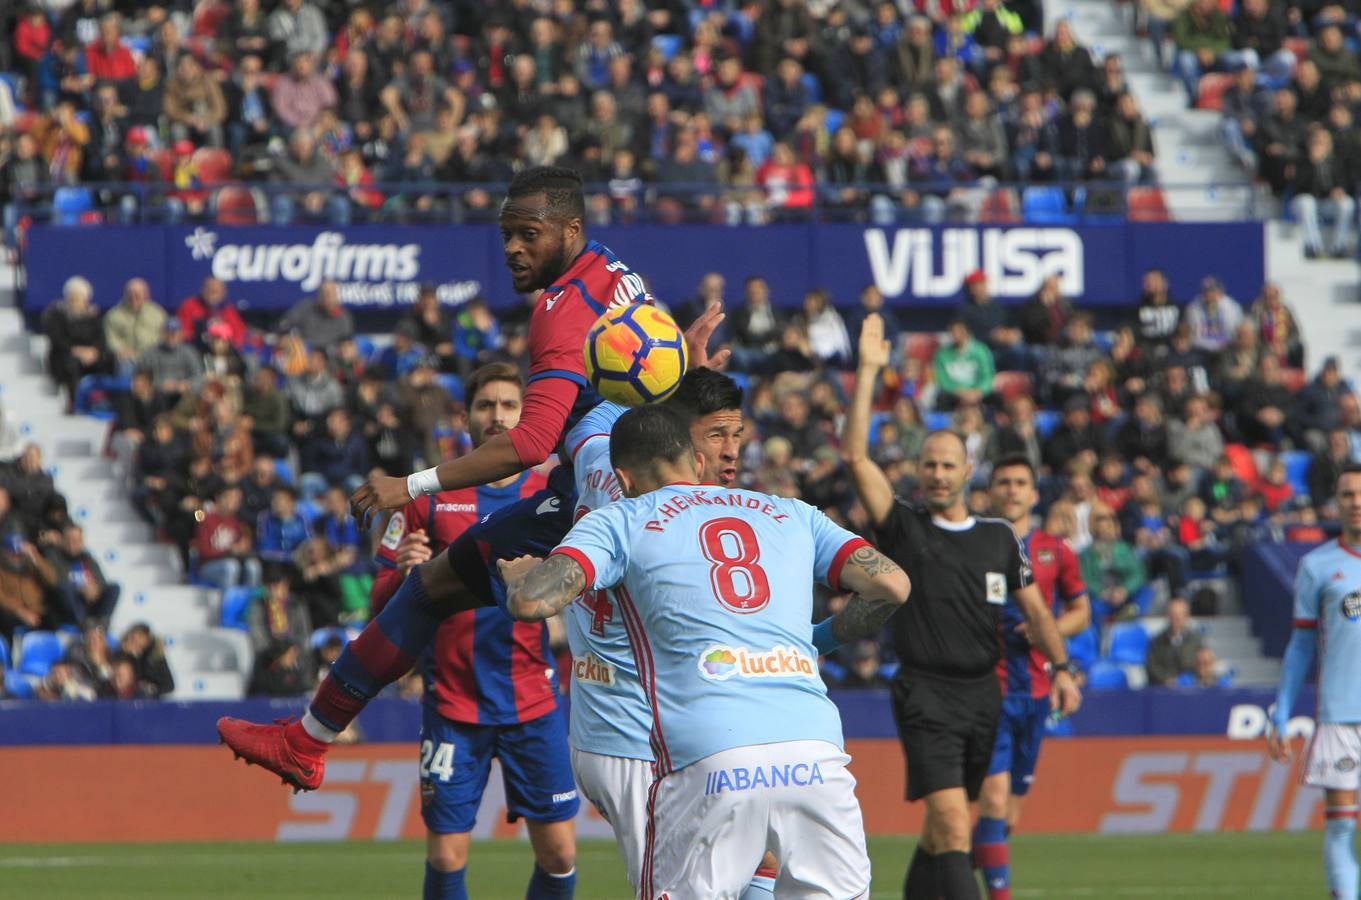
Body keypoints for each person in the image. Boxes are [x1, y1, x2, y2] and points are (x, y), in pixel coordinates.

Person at [218, 168, 723, 791]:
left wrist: (414, 484)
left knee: (660, 654)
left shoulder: (558, 315)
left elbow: (531, 442)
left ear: (570, 230)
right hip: (612, 476)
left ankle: (726, 787)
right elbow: (637, 376)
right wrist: (688, 377)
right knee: (433, 588)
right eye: (507, 234)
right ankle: (307, 740)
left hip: (602, 486)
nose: (513, 248)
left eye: (528, 234)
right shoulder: (613, 271)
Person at [499, 404, 910, 899]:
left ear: (623, 478)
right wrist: (821, 637)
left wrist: (521, 578)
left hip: (706, 756)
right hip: (815, 754)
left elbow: (533, 601)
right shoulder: (791, 512)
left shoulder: (622, 519)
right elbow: (892, 584)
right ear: (696, 461)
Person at [843, 314, 1080, 900]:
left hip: (985, 696)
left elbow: (1040, 612)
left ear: (968, 471)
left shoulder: (999, 537)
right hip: (926, 693)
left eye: (949, 465)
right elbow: (855, 459)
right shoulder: (904, 526)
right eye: (930, 465)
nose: (939, 474)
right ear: (919, 472)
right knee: (953, 826)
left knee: (941, 832)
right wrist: (871, 373)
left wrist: (1064, 666)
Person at [562, 368, 781, 897]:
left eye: (737, 435)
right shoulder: (671, 527)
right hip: (634, 735)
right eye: (714, 437)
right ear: (680, 442)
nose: (731, 452)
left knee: (763, 855)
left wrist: (664, 372)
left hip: (677, 731)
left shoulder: (601, 460)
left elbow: (586, 432)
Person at [367, 363, 571, 900]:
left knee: (560, 854)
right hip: (453, 701)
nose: (497, 416)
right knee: (446, 855)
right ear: (465, 416)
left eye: (509, 406)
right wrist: (404, 575)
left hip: (534, 699)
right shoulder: (425, 496)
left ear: (528, 416)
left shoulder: (551, 490)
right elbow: (380, 604)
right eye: (486, 406)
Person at [975, 455, 1090, 899]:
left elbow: (1080, 612)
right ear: (990, 491)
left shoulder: (1054, 550)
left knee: (1009, 817)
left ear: (1034, 493)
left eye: (1020, 482)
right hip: (989, 689)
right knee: (995, 798)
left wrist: (1048, 630)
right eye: (1003, 481)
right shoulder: (975, 544)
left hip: (1038, 689)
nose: (1011, 489)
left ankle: (946, 869)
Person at [1270, 464, 1361, 900]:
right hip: (1340, 716)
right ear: (1336, 503)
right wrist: (1282, 713)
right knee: (1342, 824)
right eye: (1347, 495)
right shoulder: (1317, 565)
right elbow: (1301, 645)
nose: (1357, 502)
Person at [1145, 597, 1204, 686]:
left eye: (1179, 615)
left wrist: (1186, 679)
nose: (1176, 619)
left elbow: (1201, 664)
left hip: (1189, 689)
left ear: (1186, 617)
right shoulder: (1157, 641)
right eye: (1172, 615)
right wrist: (1167, 679)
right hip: (1162, 688)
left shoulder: (1196, 640)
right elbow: (1151, 666)